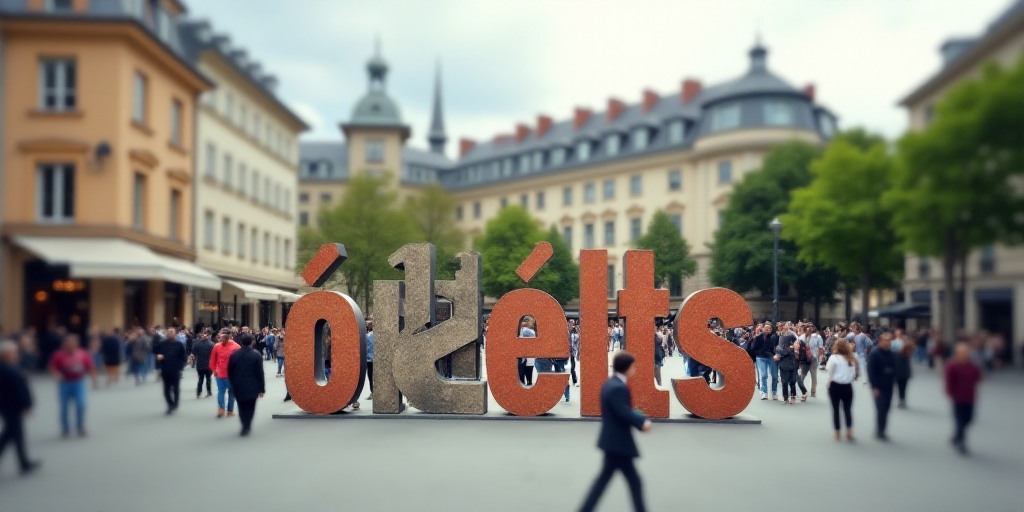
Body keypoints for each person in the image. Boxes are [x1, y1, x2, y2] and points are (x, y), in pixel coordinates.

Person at [579, 351, 652, 512]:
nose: (635, 369)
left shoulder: (610, 383)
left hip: (613, 442)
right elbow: (623, 411)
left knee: (607, 482)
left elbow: (623, 409)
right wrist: (642, 422)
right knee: (632, 482)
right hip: (618, 443)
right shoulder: (618, 388)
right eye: (634, 366)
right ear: (627, 367)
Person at [0, 340, 41, 475]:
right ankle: (24, 463)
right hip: (11, 407)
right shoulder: (6, 369)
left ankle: (24, 462)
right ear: (6, 354)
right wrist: (26, 406)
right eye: (14, 352)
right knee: (13, 435)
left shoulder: (10, 366)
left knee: (12, 435)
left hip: (10, 406)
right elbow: (16, 390)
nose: (16, 354)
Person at [48, 333, 98, 437]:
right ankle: (65, 429)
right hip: (64, 384)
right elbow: (52, 367)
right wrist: (56, 374)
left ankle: (80, 427)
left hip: (78, 383)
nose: (71, 346)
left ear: (77, 344)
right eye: (68, 344)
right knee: (64, 407)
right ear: (64, 344)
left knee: (81, 404)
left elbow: (90, 367)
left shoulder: (83, 354)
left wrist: (94, 380)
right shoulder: (58, 355)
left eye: (73, 344)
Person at [945, 343, 982, 455]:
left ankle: (957, 434)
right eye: (962, 352)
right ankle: (961, 441)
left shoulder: (972, 365)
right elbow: (949, 381)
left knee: (969, 419)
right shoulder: (952, 365)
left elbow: (978, 377)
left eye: (966, 352)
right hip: (958, 397)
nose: (965, 354)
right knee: (959, 419)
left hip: (970, 396)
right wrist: (950, 393)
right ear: (957, 354)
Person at [227, 334, 265, 436]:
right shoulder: (256, 354)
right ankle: (248, 424)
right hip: (253, 385)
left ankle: (244, 424)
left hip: (238, 384)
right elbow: (260, 372)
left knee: (241, 406)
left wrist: (232, 383)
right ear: (252, 342)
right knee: (251, 406)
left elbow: (230, 371)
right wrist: (262, 388)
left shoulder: (234, 355)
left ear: (241, 343)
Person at [826, 338, 858, 441]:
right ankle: (849, 431)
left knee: (836, 409)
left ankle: (837, 432)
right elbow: (854, 374)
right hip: (848, 386)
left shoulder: (833, 358)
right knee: (847, 409)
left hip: (836, 385)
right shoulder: (852, 358)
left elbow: (829, 371)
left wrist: (831, 378)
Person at [867, 332, 896, 441]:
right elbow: (871, 371)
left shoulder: (891, 353)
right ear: (880, 341)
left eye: (889, 341)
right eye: (884, 340)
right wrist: (874, 387)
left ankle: (883, 429)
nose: (886, 343)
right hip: (878, 386)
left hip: (889, 385)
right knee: (881, 408)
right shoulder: (875, 354)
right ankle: (880, 431)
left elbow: (894, 367)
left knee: (887, 408)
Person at [155, 328, 187, 415]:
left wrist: (180, 367)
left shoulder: (179, 344)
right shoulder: (162, 343)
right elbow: (156, 351)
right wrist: (158, 356)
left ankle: (175, 403)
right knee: (166, 390)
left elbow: (183, 357)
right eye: (168, 332)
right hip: (165, 369)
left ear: (175, 333)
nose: (170, 333)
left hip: (175, 369)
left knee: (176, 388)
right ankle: (170, 405)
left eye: (171, 332)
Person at [210, 329, 240, 418]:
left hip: (221, 373)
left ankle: (221, 409)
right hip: (231, 374)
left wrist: (214, 370)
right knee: (231, 393)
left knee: (221, 391)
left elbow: (212, 360)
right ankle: (229, 410)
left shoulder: (217, 346)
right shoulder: (236, 346)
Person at [751, 321, 778, 400]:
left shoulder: (773, 337)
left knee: (775, 375)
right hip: (761, 357)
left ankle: (774, 391)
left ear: (771, 330)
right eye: (766, 328)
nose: (767, 330)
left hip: (771, 357)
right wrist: (760, 353)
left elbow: (776, 346)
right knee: (763, 375)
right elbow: (753, 348)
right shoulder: (758, 338)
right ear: (762, 329)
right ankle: (764, 392)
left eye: (769, 328)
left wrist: (775, 354)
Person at [774, 338, 800, 405]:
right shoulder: (780, 348)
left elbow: (800, 358)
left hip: (793, 367)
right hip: (784, 366)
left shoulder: (796, 349)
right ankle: (785, 398)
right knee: (784, 382)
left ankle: (793, 396)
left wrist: (796, 352)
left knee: (792, 382)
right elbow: (779, 355)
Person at [799, 325, 822, 397]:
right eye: (807, 329)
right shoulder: (802, 337)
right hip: (805, 359)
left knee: (814, 375)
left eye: (811, 328)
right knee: (802, 374)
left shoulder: (818, 337)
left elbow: (820, 348)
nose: (809, 330)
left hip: (814, 358)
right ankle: (800, 389)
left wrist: (818, 357)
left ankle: (813, 391)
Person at [893, 329, 913, 409]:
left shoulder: (906, 343)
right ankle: (900, 399)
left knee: (904, 386)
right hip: (897, 367)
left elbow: (909, 353)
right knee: (898, 385)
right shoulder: (893, 343)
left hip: (904, 368)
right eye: (896, 333)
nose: (898, 334)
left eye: (899, 333)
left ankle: (902, 399)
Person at [192, 332, 215, 399]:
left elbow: (193, 355)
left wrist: (192, 361)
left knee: (200, 379)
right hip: (209, 364)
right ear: (208, 336)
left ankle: (198, 392)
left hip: (200, 364)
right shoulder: (212, 344)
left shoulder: (197, 344)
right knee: (208, 379)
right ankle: (209, 392)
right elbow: (214, 355)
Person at [364, 323, 373, 399]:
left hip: (370, 359)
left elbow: (366, 348)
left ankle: (373, 392)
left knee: (371, 376)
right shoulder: (369, 336)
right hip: (373, 359)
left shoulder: (368, 336)